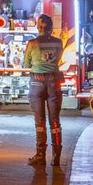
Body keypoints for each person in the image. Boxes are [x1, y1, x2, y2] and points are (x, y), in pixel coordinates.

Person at [23, 13, 64, 168]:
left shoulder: (32, 43)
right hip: (54, 82)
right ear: (51, 27)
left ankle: (40, 155)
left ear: (38, 27)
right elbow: (58, 59)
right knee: (55, 121)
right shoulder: (59, 42)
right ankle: (56, 156)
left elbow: (26, 63)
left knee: (39, 122)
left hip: (37, 82)